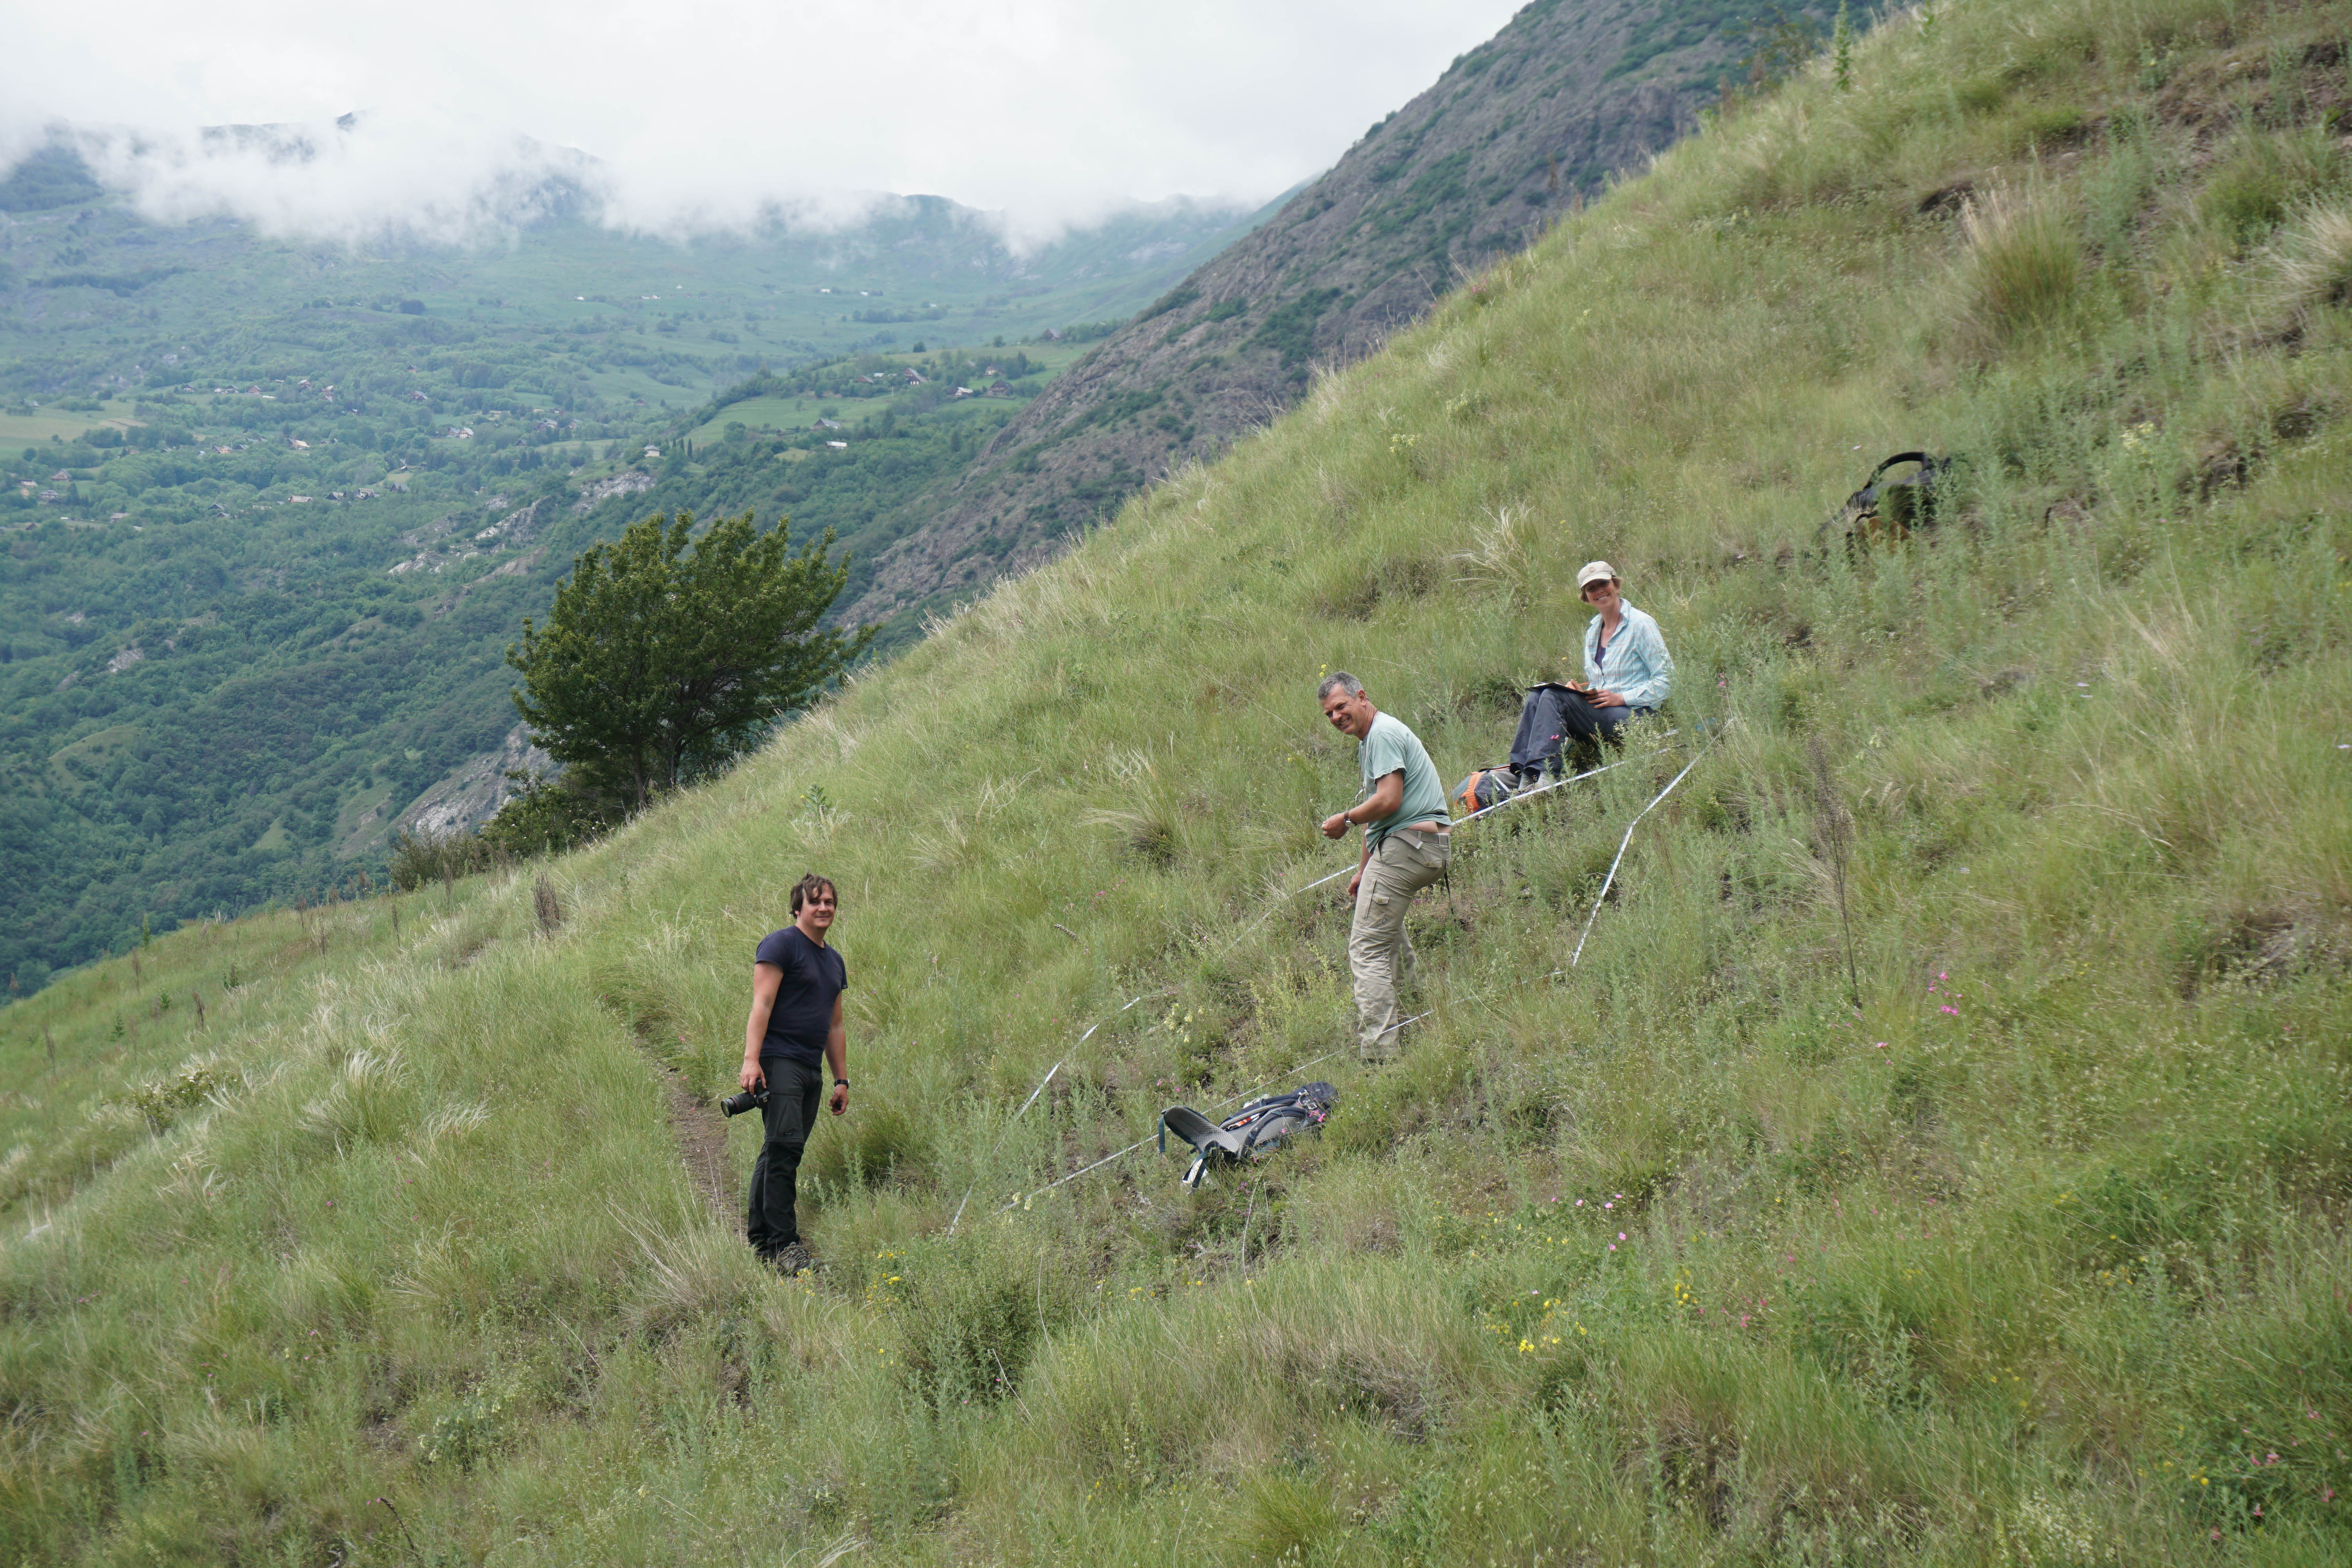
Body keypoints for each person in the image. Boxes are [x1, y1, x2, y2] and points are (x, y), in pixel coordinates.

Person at [1318, 673, 1452, 1063]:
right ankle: (1423, 1016)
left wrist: (1345, 818)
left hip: (1411, 844)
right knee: (1388, 938)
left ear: (1362, 696)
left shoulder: (1381, 735)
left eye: (1342, 706)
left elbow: (1389, 801)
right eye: (1329, 714)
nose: (1337, 717)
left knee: (1366, 948)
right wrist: (1364, 870)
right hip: (1420, 845)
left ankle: (1381, 1055)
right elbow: (1378, 817)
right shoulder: (1373, 740)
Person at [739, 873, 850, 1274]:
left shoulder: (834, 962)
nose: (824, 908)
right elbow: (762, 1004)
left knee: (781, 1148)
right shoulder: (781, 945)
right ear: (798, 907)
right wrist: (752, 1060)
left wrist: (841, 1079)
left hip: (810, 1068)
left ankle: (762, 1241)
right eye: (816, 901)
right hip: (779, 1061)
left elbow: (835, 1026)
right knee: (784, 1149)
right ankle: (786, 1246)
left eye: (830, 902)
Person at [1504, 559, 1674, 781]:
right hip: (1606, 713)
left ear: (1616, 585)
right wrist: (1582, 694)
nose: (1599, 592)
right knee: (1539, 696)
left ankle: (1547, 780)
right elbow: (1601, 684)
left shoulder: (1641, 624)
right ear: (1586, 597)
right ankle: (1526, 777)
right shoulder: (1594, 631)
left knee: (1554, 697)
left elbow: (1668, 681)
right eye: (1591, 589)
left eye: (1603, 584)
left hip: (1638, 717)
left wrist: (1621, 698)